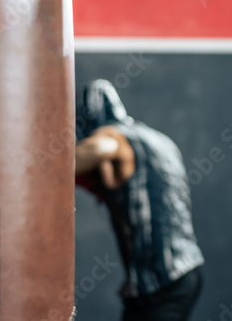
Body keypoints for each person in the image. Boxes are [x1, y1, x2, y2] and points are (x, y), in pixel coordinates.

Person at [75, 79, 204, 321]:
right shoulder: (157, 139)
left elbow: (102, 146)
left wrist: (44, 167)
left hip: (163, 280)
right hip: (179, 271)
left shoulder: (113, 136)